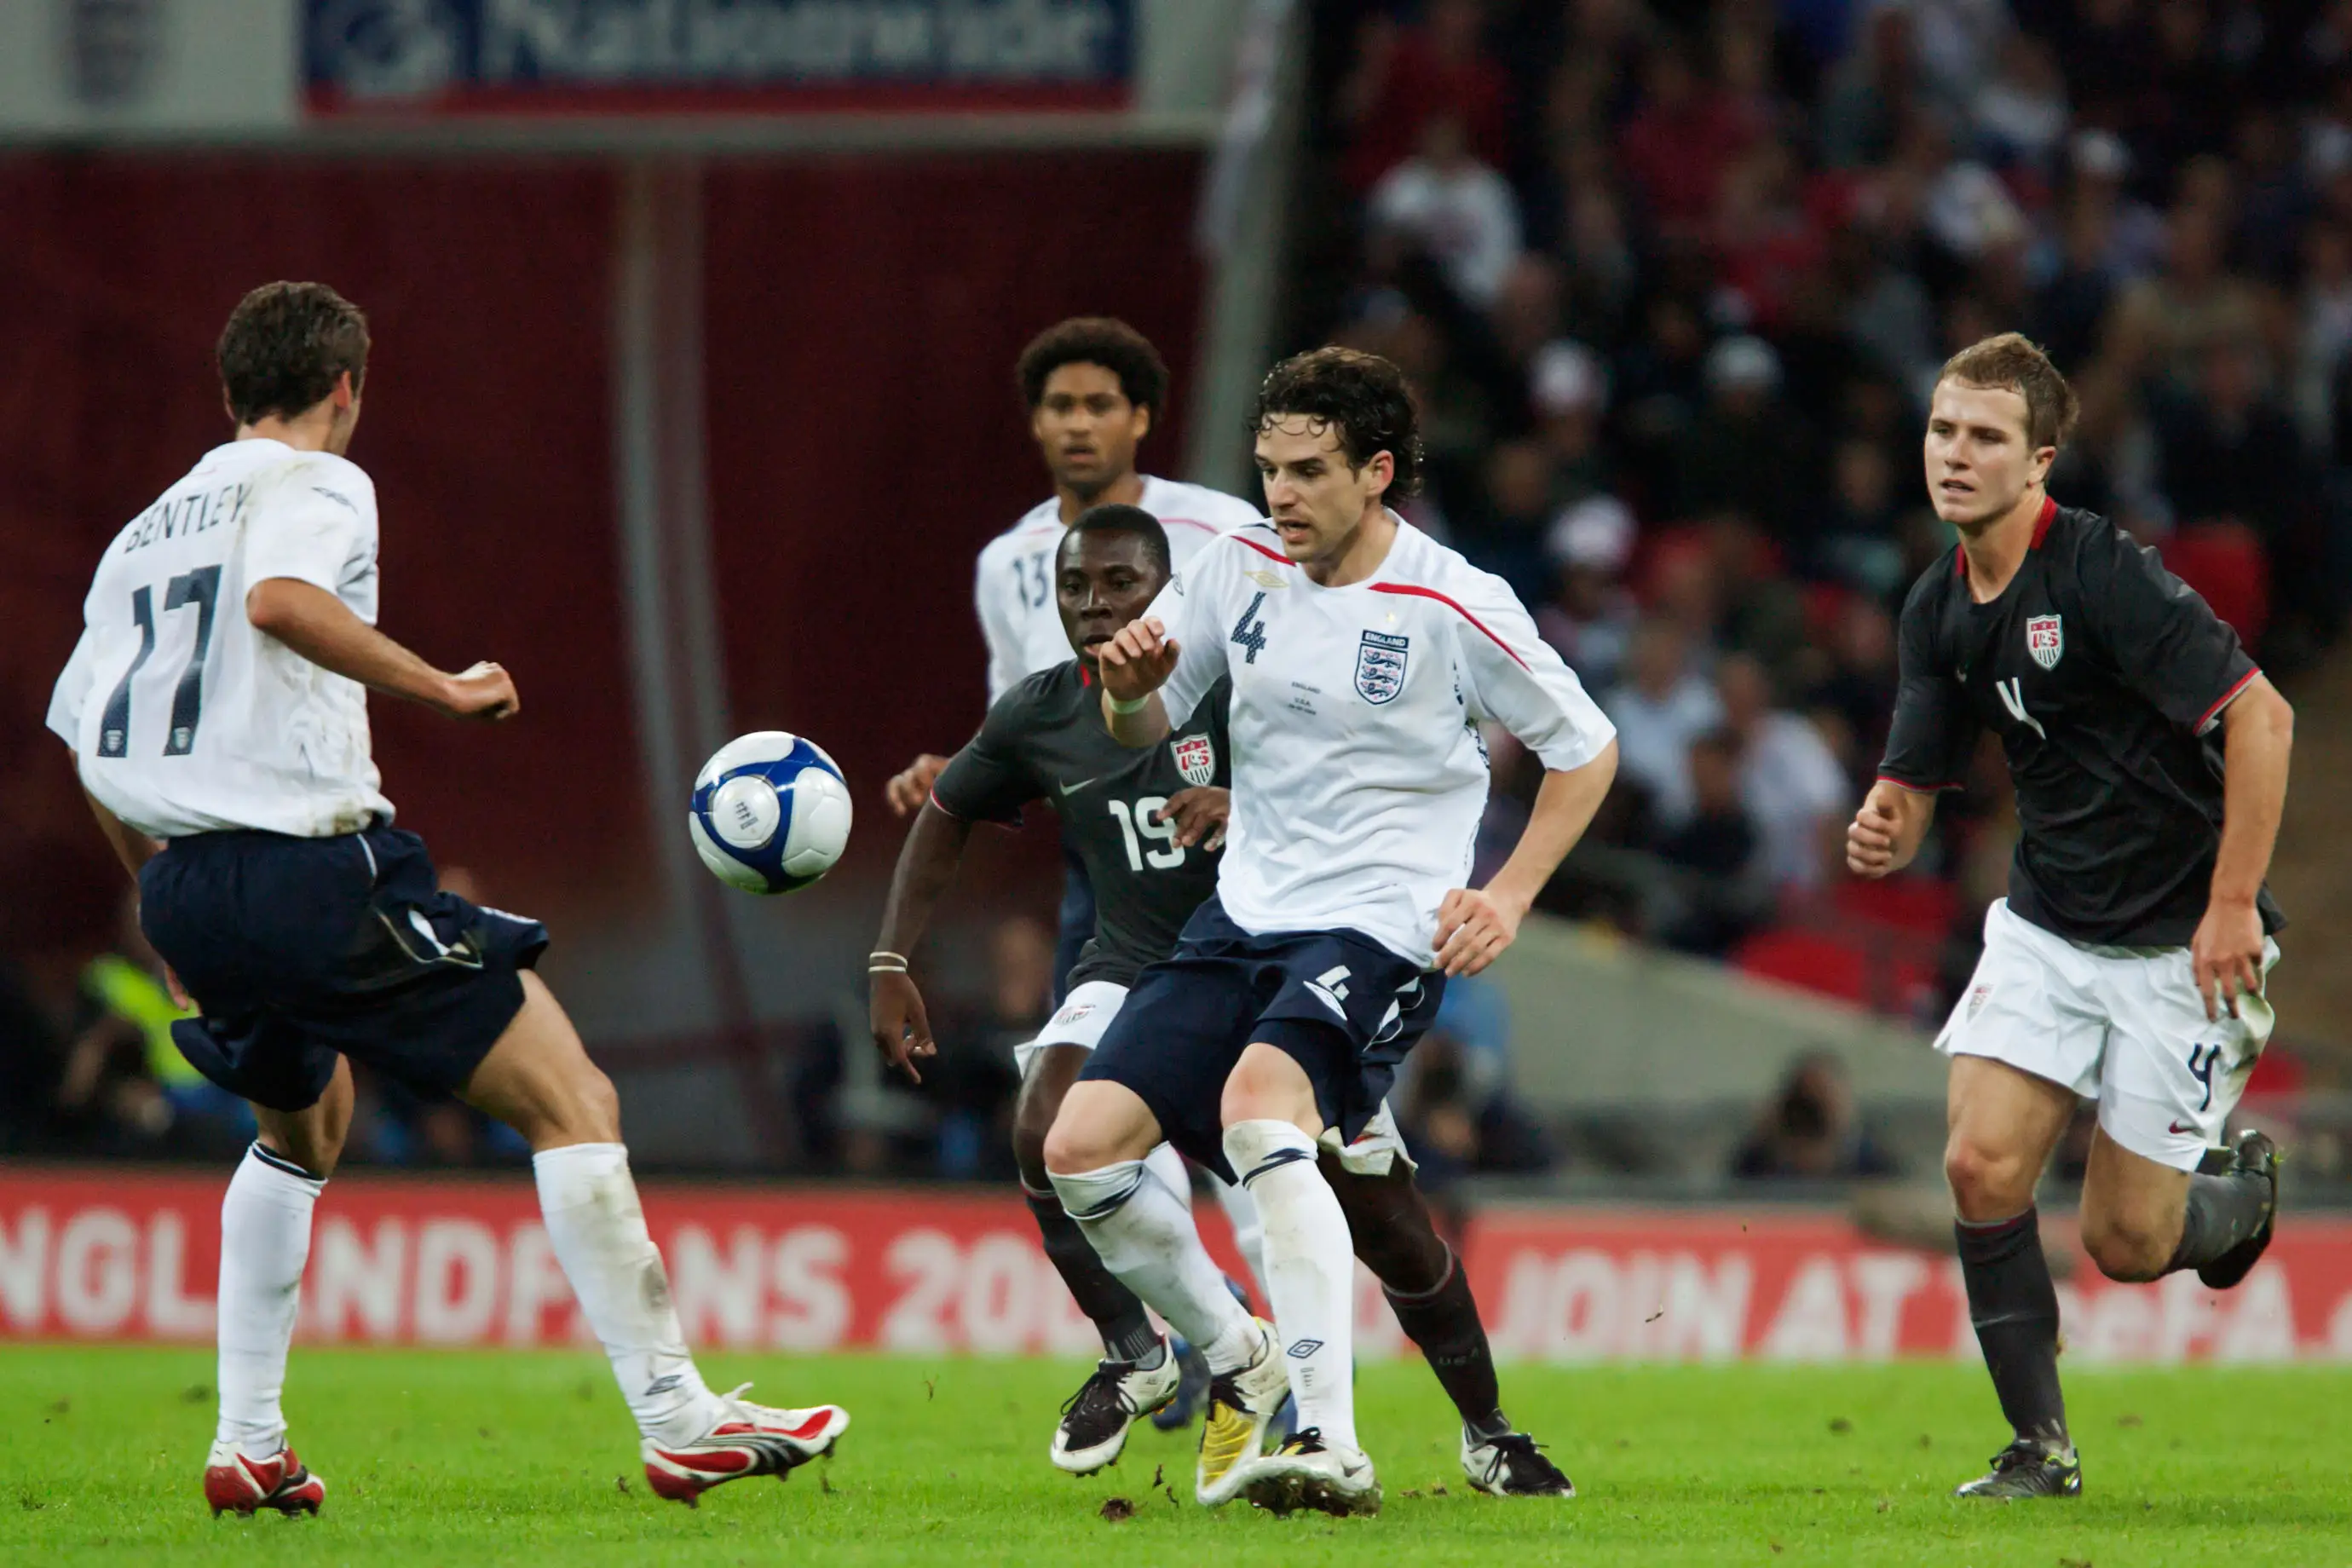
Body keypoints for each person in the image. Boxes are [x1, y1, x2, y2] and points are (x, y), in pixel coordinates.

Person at [44, 282, 845, 1515]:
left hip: (192, 884)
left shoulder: (141, 535)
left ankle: (249, 1441)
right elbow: (280, 603)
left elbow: (86, 739)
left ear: (225, 392)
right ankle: (679, 1417)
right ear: (348, 386)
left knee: (299, 1131)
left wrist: (159, 906)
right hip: (306, 865)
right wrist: (446, 687)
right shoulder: (317, 481)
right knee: (571, 1094)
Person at [870, 505, 1573, 1496]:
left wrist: (1248, 807)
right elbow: (950, 811)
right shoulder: (1042, 709)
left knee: (1389, 1226)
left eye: (1120, 585)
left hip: (1287, 960)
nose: (1095, 604)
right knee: (1055, 1130)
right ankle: (1186, 1352)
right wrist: (888, 959)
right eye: (1075, 586)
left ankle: (1486, 1427)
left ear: (1169, 591)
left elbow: (1339, 792)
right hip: (1145, 970)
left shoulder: (1244, 675)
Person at [1044, 348, 1620, 1516]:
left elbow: (1586, 748)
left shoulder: (1452, 600)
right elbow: (1143, 716)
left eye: (1309, 471)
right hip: (1246, 913)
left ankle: (1329, 1442)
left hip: (1385, 927)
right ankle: (1245, 1355)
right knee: (1080, 1149)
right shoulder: (1236, 564)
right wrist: (1124, 687)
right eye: (1268, 470)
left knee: (1263, 1114)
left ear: (1379, 475)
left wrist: (1503, 897)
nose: (1282, 496)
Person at [1849, 332, 2292, 1501]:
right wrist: (1888, 819)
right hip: (2047, 924)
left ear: (2039, 459)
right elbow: (1915, 775)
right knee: (1980, 1163)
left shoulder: (2105, 575)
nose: (1955, 453)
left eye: (1985, 436)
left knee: (2128, 1244)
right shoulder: (1938, 604)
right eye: (1944, 428)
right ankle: (2037, 1448)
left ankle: (2233, 1204)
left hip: (2180, 940)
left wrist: (2233, 904)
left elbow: (2265, 721)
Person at [884, 318, 1262, 995]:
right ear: (1035, 423)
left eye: (1100, 406)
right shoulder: (1006, 562)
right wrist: (967, 768)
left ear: (1141, 419)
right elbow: (1023, 719)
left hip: (1229, 836)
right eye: (1061, 407)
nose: (1078, 426)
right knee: (1072, 1071)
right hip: (1104, 853)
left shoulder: (1224, 530)